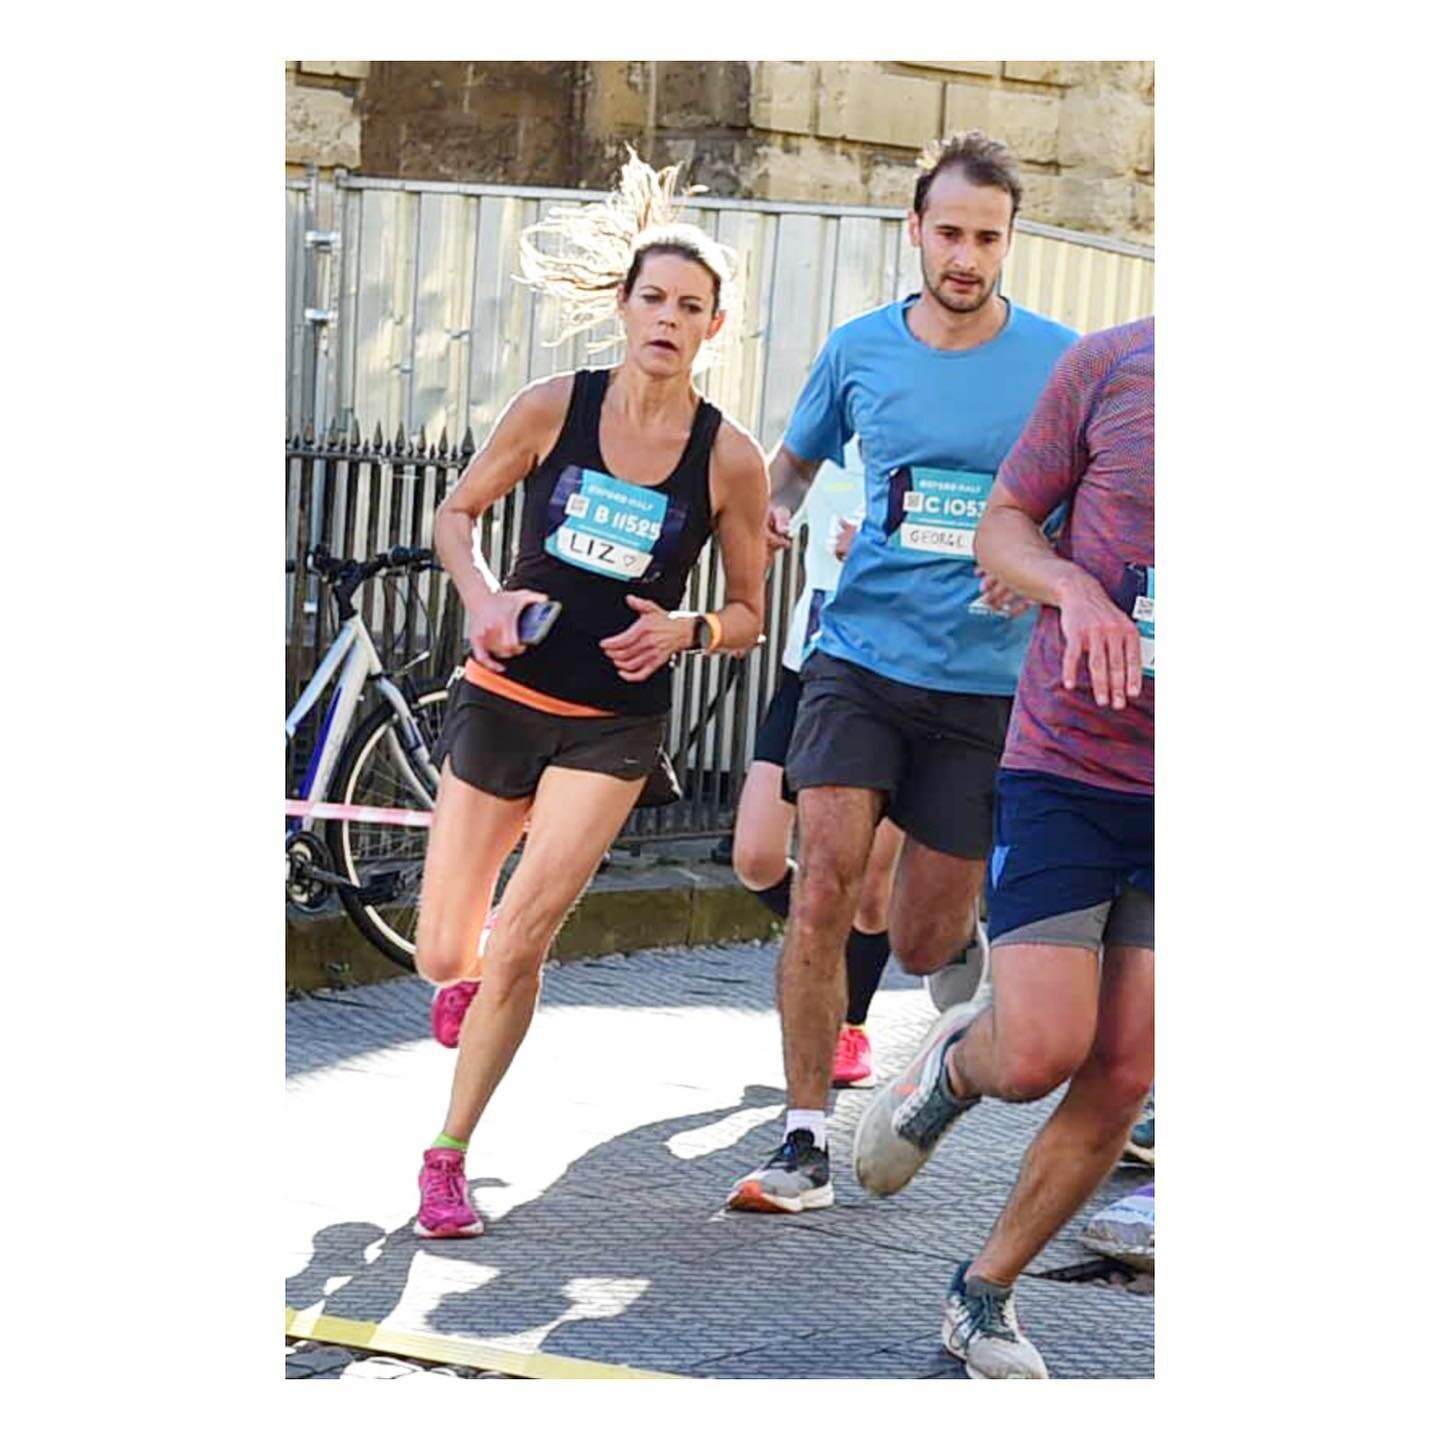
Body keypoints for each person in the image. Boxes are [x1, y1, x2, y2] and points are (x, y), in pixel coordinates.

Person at [411, 151, 768, 1239]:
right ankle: (463, 989)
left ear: (714, 328)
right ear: (623, 307)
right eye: (653, 297)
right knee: (444, 951)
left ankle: (447, 1153)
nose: (668, 317)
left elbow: (750, 610)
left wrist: (689, 627)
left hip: (612, 728)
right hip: (504, 694)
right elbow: (456, 516)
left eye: (691, 306)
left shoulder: (729, 460)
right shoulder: (550, 406)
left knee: (522, 939)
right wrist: (480, 598)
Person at [725, 131, 1078, 1215]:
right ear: (916, 231)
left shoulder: (1061, 361)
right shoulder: (861, 350)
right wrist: (773, 512)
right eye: (951, 232)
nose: (967, 255)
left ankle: (952, 945)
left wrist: (1044, 563)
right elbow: (793, 462)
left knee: (923, 936)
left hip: (985, 685)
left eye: (988, 237)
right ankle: (800, 1142)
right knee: (822, 883)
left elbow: (1090, 498)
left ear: (1010, 242)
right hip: (861, 657)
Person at [851, 314, 1155, 1379]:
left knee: (1124, 1070)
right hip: (1071, 759)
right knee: (1039, 1056)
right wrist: (1068, 584)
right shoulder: (1116, 364)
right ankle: (956, 1060)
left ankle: (982, 1294)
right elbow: (1004, 521)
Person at [730, 442, 901, 1089]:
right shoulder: (826, 438)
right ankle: (819, 933)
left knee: (873, 885)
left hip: (900, 681)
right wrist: (767, 516)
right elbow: (771, 496)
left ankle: (850, 1022)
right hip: (811, 672)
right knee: (755, 857)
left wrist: (888, 551)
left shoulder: (945, 442)